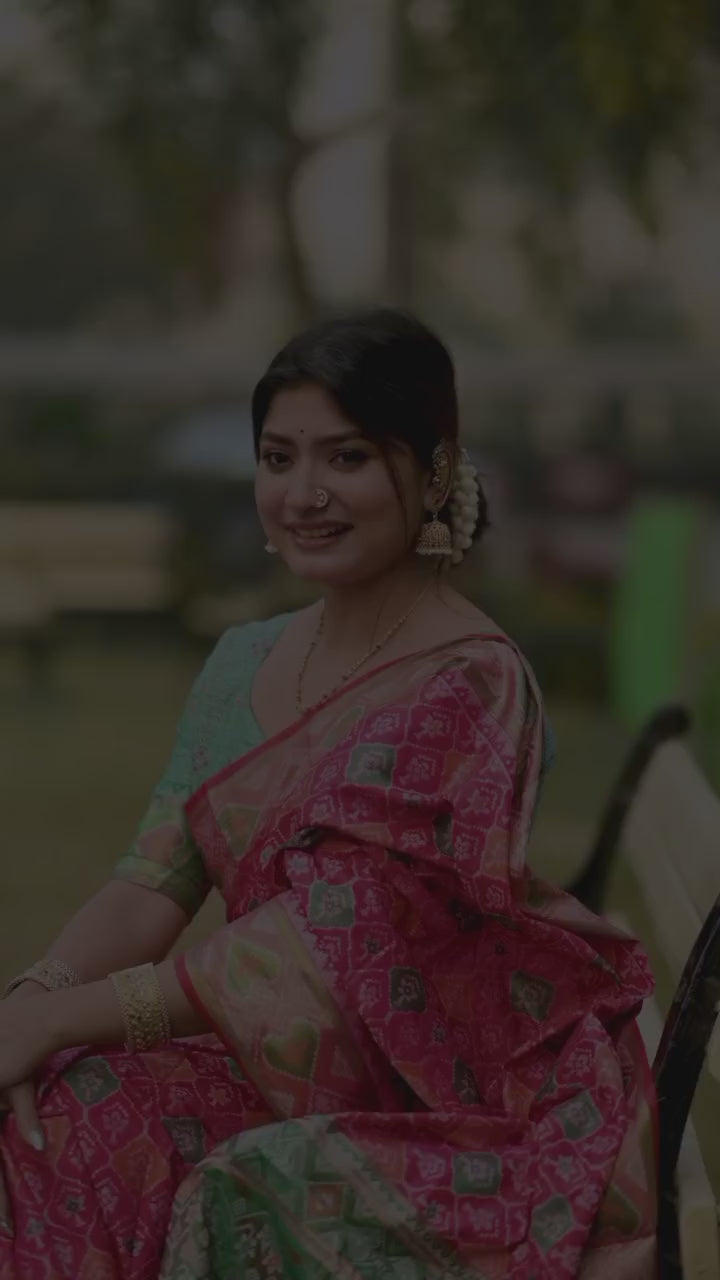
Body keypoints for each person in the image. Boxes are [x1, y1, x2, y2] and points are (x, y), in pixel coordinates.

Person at [0, 309, 657, 1279]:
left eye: (347, 457)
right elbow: (153, 876)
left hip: (438, 1086)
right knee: (54, 1113)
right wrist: (34, 998)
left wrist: (67, 1016)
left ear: (435, 470)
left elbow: (332, 943)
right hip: (272, 1060)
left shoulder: (470, 682)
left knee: (219, 1166)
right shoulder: (244, 659)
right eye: (279, 457)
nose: (304, 494)